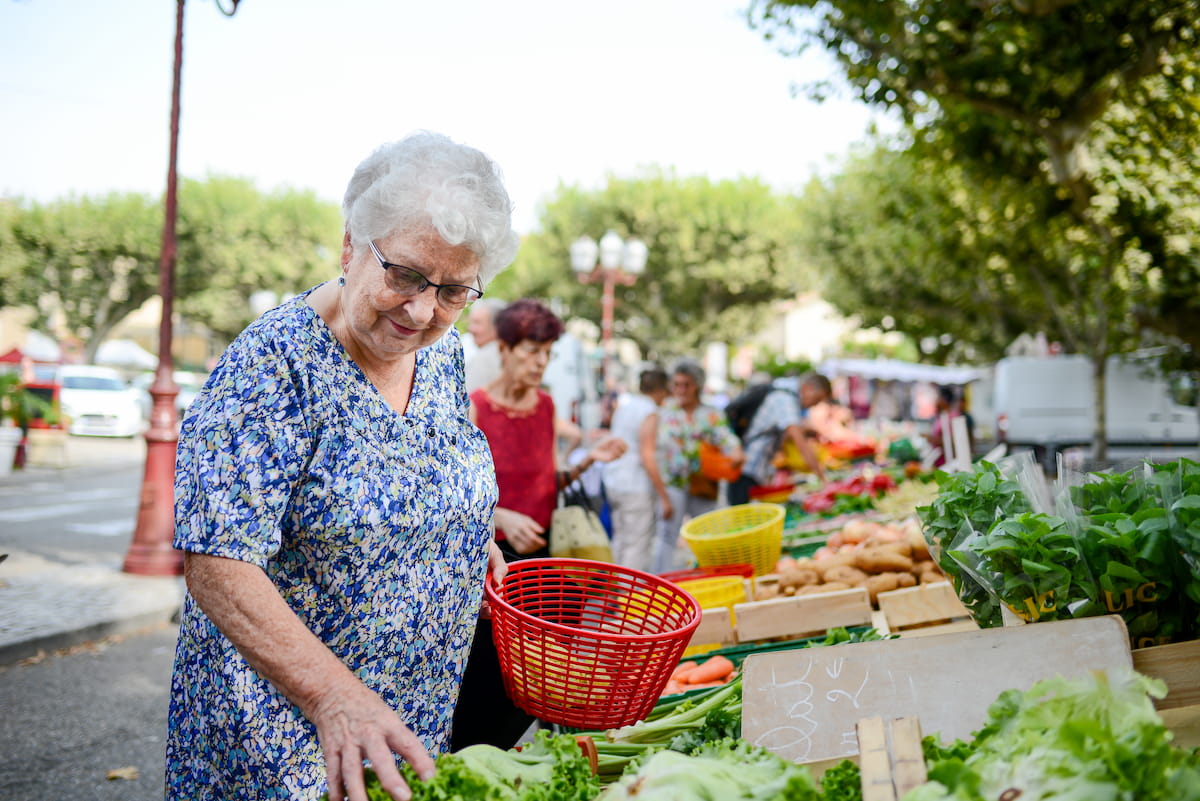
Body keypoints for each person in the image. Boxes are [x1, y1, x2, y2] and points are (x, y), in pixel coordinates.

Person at [168, 132, 519, 801]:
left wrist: (467, 547)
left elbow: (431, 474)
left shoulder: (439, 355)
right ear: (352, 245)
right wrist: (334, 696)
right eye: (405, 275)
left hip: (406, 722)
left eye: (451, 290)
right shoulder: (272, 367)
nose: (421, 310)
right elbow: (217, 563)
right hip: (284, 740)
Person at [452, 298, 625, 750]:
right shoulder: (475, 408)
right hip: (499, 571)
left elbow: (550, 478)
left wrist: (589, 460)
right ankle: (479, 761)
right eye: (531, 350)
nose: (540, 362)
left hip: (550, 569)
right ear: (504, 349)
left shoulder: (547, 406)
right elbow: (460, 497)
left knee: (550, 678)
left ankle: (555, 756)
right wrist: (499, 515)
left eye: (547, 352)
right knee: (498, 683)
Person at [651, 360, 743, 574]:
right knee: (667, 536)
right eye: (677, 385)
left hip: (703, 483)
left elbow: (726, 437)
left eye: (687, 385)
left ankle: (708, 577)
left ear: (698, 386)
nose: (681, 390)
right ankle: (658, 582)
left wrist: (735, 451)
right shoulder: (664, 412)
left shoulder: (711, 413)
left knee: (708, 533)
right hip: (673, 483)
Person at [604, 367, 671, 572]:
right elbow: (647, 456)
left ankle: (613, 596)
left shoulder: (626, 405)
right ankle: (628, 599)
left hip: (615, 481)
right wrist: (664, 496)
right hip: (636, 486)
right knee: (636, 546)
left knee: (621, 540)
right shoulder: (649, 411)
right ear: (660, 390)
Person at [729, 373, 829, 505]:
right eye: (817, 399)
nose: (815, 405)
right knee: (742, 517)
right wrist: (823, 479)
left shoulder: (786, 395)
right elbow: (800, 442)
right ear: (808, 388)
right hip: (746, 468)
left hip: (755, 469)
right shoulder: (785, 399)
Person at [464, 297, 506, 393]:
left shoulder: (487, 357)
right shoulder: (504, 353)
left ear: (497, 327)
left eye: (477, 323)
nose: (470, 329)